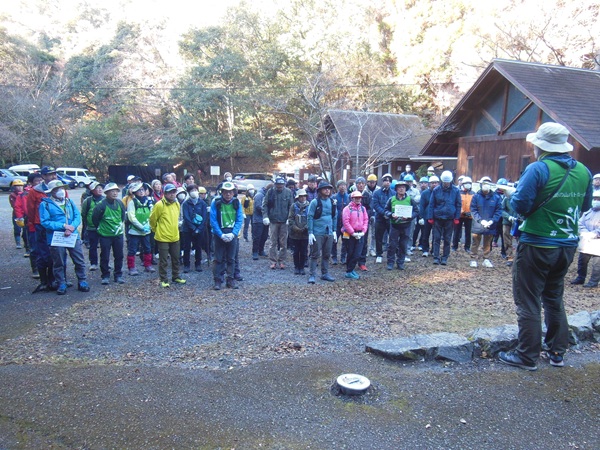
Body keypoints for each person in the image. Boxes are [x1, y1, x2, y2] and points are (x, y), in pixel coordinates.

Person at [499, 122, 592, 371]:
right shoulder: (583, 170)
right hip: (567, 244)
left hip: (537, 243)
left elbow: (520, 205)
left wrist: (511, 195)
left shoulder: (538, 168)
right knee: (553, 297)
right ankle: (557, 352)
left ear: (540, 146)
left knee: (528, 299)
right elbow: (584, 206)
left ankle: (527, 356)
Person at [39, 180, 89, 295]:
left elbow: (77, 216)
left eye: (61, 188)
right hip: (56, 237)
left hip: (72, 235)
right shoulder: (45, 204)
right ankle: (61, 282)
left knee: (79, 259)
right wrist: (63, 226)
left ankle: (82, 280)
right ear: (51, 192)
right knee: (59, 262)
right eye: (57, 189)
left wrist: (72, 227)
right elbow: (45, 222)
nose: (60, 191)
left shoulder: (69, 202)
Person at [149, 183, 186, 288]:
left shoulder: (177, 204)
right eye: (169, 192)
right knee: (163, 260)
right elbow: (152, 219)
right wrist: (156, 230)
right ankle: (163, 279)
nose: (172, 194)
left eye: (174, 192)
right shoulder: (159, 205)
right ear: (165, 193)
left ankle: (176, 276)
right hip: (163, 237)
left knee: (176, 258)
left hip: (175, 236)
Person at [210, 182, 244, 290]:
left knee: (231, 258)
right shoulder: (216, 202)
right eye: (226, 192)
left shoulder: (236, 202)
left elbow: (239, 219)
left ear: (233, 193)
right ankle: (217, 280)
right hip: (219, 233)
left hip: (232, 233)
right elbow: (213, 220)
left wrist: (233, 233)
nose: (228, 194)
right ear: (222, 192)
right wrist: (220, 234)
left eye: (230, 192)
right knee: (218, 258)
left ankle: (230, 279)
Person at [92, 183, 126, 285]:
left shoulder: (120, 203)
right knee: (105, 256)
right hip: (105, 235)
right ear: (106, 193)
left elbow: (122, 217)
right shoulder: (101, 205)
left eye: (116, 191)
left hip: (118, 234)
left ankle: (118, 275)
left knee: (119, 255)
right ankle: (105, 275)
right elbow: (95, 219)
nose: (115, 193)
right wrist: (102, 228)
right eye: (112, 191)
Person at [427, 171, 461, 265]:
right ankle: (436, 257)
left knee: (447, 238)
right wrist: (430, 217)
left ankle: (445, 257)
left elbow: (458, 204)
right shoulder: (436, 190)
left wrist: (457, 217)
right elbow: (431, 204)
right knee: (436, 238)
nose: (446, 183)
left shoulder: (456, 190)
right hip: (438, 217)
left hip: (450, 218)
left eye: (447, 182)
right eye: (445, 182)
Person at [307, 180, 338, 284]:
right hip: (317, 231)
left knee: (326, 254)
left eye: (329, 189)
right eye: (325, 188)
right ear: (320, 190)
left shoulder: (332, 202)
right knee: (314, 254)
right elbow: (310, 217)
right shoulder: (314, 202)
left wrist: (334, 231)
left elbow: (335, 217)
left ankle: (325, 273)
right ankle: (312, 274)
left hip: (329, 232)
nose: (327, 190)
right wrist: (310, 232)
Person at [384, 179, 418, 270]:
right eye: (399, 187)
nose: (401, 189)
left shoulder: (410, 199)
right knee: (392, 245)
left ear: (406, 189)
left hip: (406, 226)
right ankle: (390, 263)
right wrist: (391, 215)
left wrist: (410, 217)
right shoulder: (391, 199)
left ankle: (400, 262)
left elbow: (416, 211)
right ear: (396, 189)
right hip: (394, 225)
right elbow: (386, 210)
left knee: (403, 245)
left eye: (403, 187)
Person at [469, 178, 502, 268]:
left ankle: (486, 259)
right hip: (478, 224)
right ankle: (473, 259)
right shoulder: (476, 196)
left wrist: (492, 220)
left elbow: (498, 211)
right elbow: (473, 210)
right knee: (475, 242)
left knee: (488, 243)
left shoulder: (496, 197)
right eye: (484, 183)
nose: (485, 185)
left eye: (487, 183)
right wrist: (480, 220)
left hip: (490, 225)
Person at [570, 190, 600, 288]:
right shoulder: (588, 211)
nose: (596, 201)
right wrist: (585, 232)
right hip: (586, 241)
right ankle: (580, 278)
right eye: (594, 199)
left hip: (597, 242)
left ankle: (593, 281)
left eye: (598, 199)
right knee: (582, 261)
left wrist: (594, 234)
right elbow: (579, 223)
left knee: (597, 264)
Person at [263, 177, 293, 269]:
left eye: (281, 185)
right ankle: (273, 261)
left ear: (284, 185)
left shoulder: (288, 192)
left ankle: (282, 261)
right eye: (278, 185)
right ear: (275, 185)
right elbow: (265, 205)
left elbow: (291, 206)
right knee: (273, 242)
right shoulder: (270, 192)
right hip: (273, 221)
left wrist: (289, 218)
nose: (279, 187)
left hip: (284, 221)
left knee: (283, 243)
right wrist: (265, 216)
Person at [126, 182, 154, 276]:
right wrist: (141, 227)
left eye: (142, 190)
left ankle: (148, 265)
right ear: (135, 192)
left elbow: (152, 214)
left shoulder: (148, 201)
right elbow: (131, 217)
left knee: (147, 248)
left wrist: (148, 225)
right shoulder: (132, 202)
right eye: (139, 190)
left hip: (146, 230)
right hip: (135, 231)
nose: (141, 192)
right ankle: (131, 267)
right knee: (132, 249)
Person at [341, 190, 369, 279]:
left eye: (359, 198)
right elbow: (346, 222)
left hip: (360, 233)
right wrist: (352, 233)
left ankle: (351, 269)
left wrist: (363, 231)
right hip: (349, 234)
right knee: (350, 252)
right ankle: (349, 270)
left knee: (357, 253)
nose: (358, 199)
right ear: (352, 198)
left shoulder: (363, 209)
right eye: (356, 198)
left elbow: (366, 220)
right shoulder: (347, 209)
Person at [181, 184, 208, 273]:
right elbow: (186, 217)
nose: (194, 192)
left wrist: (199, 229)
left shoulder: (202, 203)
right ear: (188, 192)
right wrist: (193, 227)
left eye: (195, 190)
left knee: (198, 246)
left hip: (200, 229)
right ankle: (186, 264)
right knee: (187, 247)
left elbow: (204, 217)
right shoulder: (186, 204)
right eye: (192, 190)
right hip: (188, 229)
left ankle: (198, 264)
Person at [81, 182, 105, 271]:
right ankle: (93, 263)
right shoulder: (87, 201)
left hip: (104, 228)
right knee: (93, 246)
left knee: (105, 247)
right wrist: (89, 223)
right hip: (92, 228)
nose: (100, 189)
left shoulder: (105, 200)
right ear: (92, 190)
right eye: (97, 188)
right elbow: (84, 214)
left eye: (100, 188)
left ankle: (104, 263)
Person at [372, 173, 394, 264]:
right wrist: (384, 213)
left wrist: (389, 214)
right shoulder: (376, 193)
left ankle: (392, 254)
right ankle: (379, 254)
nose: (387, 182)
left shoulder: (394, 193)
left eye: (389, 181)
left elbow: (394, 205)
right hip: (379, 218)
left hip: (391, 219)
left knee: (392, 237)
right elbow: (376, 205)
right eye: (385, 180)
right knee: (379, 237)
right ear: (382, 182)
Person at [287, 189, 309, 275]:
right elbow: (290, 218)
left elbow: (311, 218)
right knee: (295, 251)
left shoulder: (309, 206)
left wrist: (306, 227)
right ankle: (296, 267)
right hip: (294, 234)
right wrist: (295, 228)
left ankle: (302, 267)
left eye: (304, 196)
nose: (303, 198)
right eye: (301, 196)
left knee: (304, 251)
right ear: (298, 197)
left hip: (305, 234)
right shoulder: (293, 206)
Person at [452, 176, 475, 253]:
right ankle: (454, 246)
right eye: (466, 183)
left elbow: (474, 205)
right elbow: (456, 203)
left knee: (468, 232)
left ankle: (467, 247)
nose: (468, 185)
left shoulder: (473, 194)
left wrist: (471, 212)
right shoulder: (458, 192)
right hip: (459, 215)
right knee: (456, 231)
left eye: (469, 183)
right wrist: (461, 211)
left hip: (469, 216)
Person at [419, 175, 439, 257]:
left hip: (437, 217)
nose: (434, 184)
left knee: (436, 235)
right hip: (426, 216)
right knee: (425, 234)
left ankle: (434, 250)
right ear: (429, 184)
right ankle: (425, 250)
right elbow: (422, 206)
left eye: (435, 183)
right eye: (432, 183)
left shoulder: (440, 192)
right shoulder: (425, 193)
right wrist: (421, 217)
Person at [332, 180, 350, 265]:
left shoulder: (349, 197)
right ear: (338, 187)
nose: (342, 187)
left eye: (344, 185)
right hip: (336, 224)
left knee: (345, 241)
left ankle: (343, 257)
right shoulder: (334, 197)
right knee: (334, 241)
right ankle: (334, 257)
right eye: (340, 185)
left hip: (346, 225)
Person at [251, 183, 271, 260]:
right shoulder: (259, 195)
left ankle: (261, 250)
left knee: (264, 236)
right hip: (258, 220)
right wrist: (268, 210)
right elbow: (258, 206)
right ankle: (255, 252)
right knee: (257, 237)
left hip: (266, 219)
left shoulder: (267, 195)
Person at [9, 179, 28, 251]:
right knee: (17, 229)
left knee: (26, 230)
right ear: (14, 187)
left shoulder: (26, 194)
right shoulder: (12, 195)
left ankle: (26, 244)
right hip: (16, 215)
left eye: (21, 186)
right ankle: (18, 242)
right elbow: (14, 206)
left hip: (25, 214)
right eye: (17, 186)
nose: (19, 187)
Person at [365, 174, 379, 257]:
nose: (372, 183)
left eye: (373, 182)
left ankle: (372, 249)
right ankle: (365, 249)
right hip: (366, 214)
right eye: (370, 182)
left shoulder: (378, 190)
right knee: (365, 233)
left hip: (376, 214)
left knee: (374, 233)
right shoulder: (364, 190)